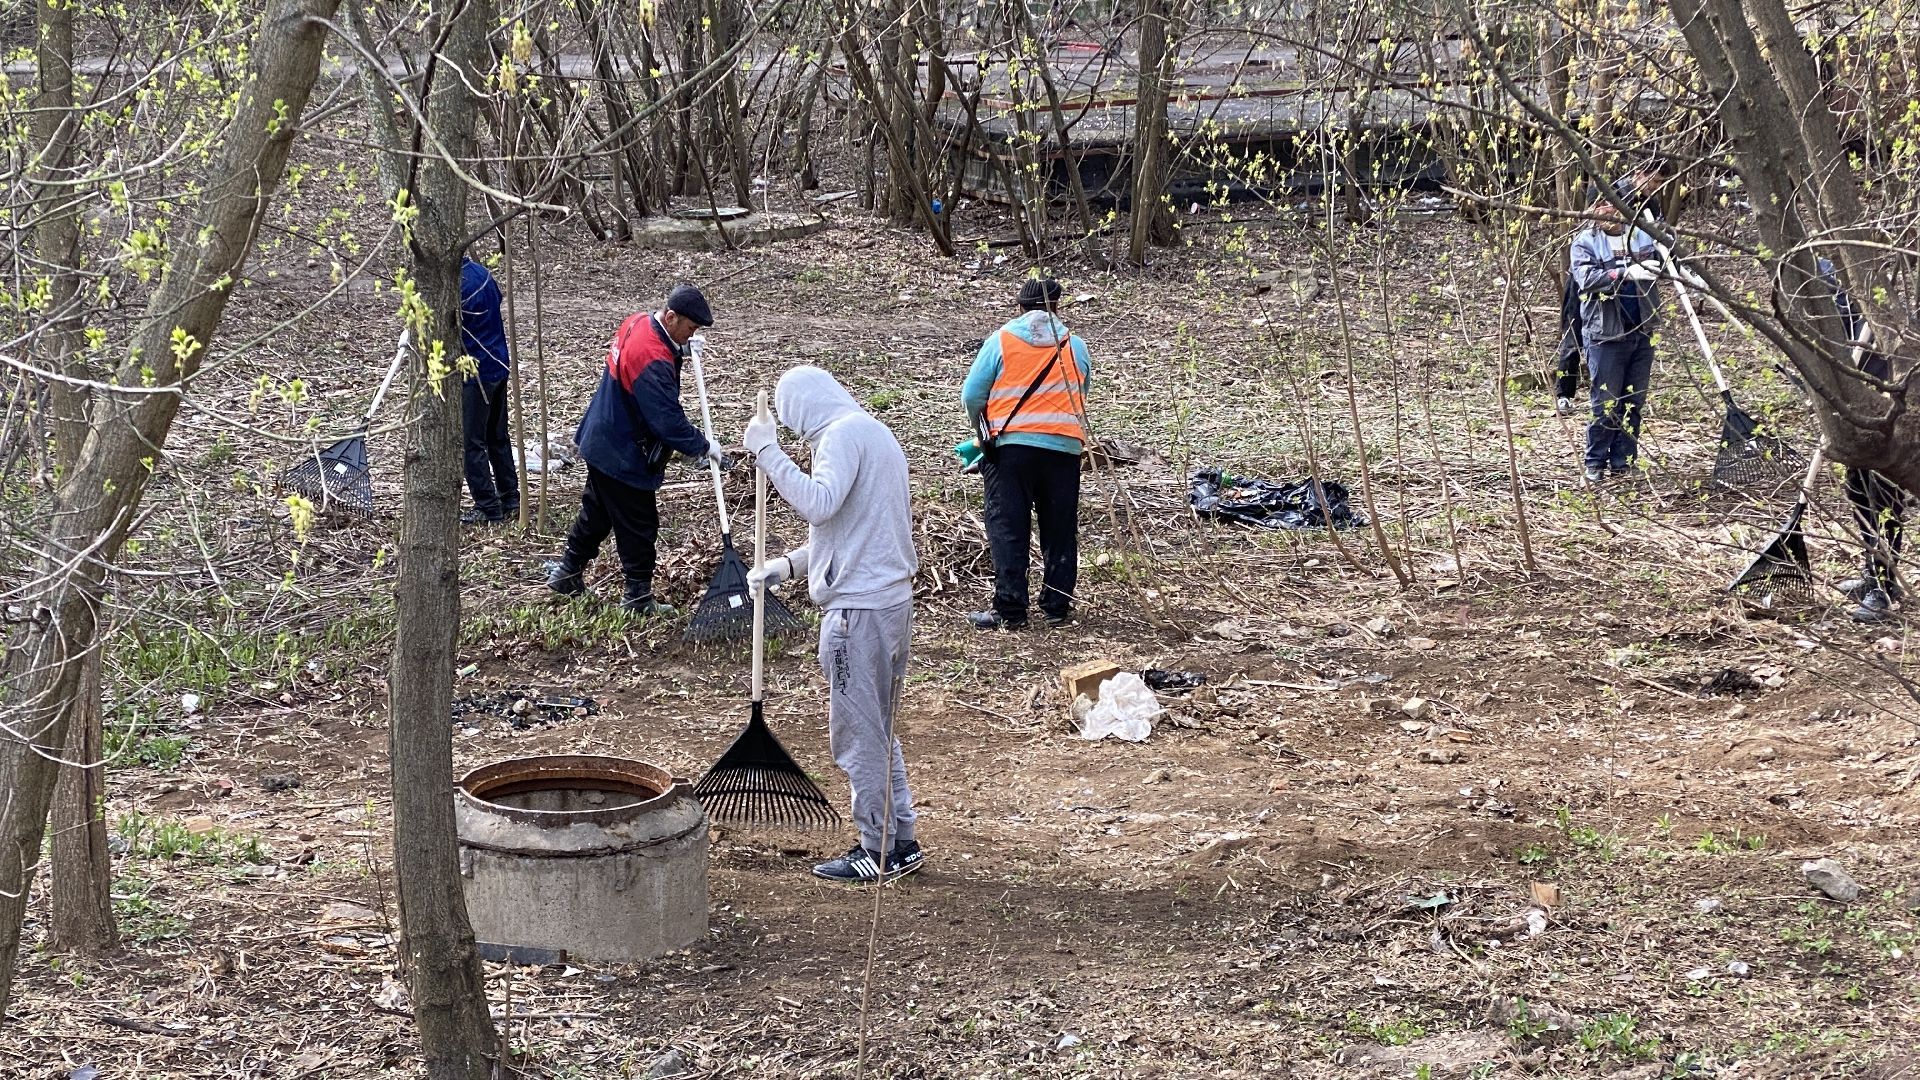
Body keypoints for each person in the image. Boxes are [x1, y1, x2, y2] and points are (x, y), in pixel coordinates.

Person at [742, 366, 924, 883]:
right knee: (878, 729)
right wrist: (791, 565)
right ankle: (898, 840)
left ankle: (878, 848)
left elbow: (819, 506)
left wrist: (767, 453)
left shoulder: (842, 437)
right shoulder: (873, 433)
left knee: (859, 735)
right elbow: (857, 528)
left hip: (857, 614)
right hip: (888, 602)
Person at [547, 284, 727, 614]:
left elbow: (641, 363)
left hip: (601, 436)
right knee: (639, 524)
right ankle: (637, 597)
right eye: (689, 329)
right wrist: (702, 446)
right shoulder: (653, 360)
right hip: (622, 450)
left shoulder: (639, 321)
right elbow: (666, 421)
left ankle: (567, 573)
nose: (690, 335)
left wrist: (681, 351)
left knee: (597, 511)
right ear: (671, 317)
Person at [961, 278, 1092, 630]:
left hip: (1010, 451)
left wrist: (982, 430)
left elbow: (972, 394)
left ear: (1020, 308)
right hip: (1063, 450)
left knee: (1007, 527)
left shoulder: (1001, 340)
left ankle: (1010, 610)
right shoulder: (1075, 346)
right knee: (1059, 528)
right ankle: (1056, 607)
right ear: (1056, 308)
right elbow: (1081, 394)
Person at [1820, 258, 1909, 622]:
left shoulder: (1884, 312)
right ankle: (1871, 571)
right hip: (1852, 412)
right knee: (1857, 490)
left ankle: (1885, 587)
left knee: (1884, 497)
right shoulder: (1827, 309)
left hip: (1887, 415)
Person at [1569, 185, 1662, 483]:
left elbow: (1667, 257)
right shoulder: (1585, 242)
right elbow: (1586, 278)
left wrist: (1665, 250)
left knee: (1634, 401)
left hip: (1642, 331)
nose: (1608, 211)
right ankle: (1595, 462)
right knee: (1605, 403)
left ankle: (1624, 461)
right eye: (1600, 207)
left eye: (1612, 204)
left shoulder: (1642, 234)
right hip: (1605, 336)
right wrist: (1624, 273)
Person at [1557, 168, 1663, 417]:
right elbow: (1588, 267)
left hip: (1631, 292)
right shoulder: (1609, 196)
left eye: (1661, 182)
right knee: (1573, 331)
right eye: (1654, 179)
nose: (1655, 186)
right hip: (1595, 276)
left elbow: (1658, 244)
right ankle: (1564, 392)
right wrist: (1620, 273)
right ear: (1640, 173)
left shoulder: (1650, 204)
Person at [459, 256, 520, 525]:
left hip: (476, 373)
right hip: (497, 363)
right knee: (497, 436)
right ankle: (510, 498)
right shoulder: (482, 273)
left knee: (472, 441)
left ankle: (488, 507)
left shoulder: (455, 285)